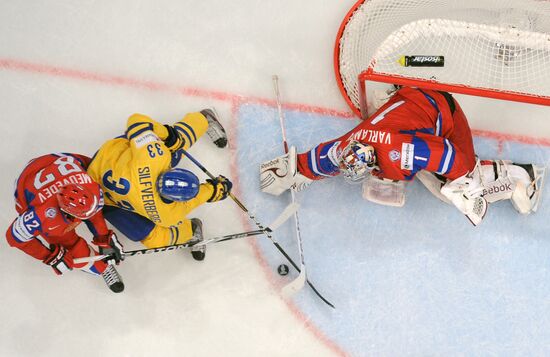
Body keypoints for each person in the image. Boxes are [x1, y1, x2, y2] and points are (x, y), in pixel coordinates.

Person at [260, 86, 545, 226]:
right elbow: (325, 158)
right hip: (408, 105)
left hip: (445, 113)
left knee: (447, 188)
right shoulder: (351, 145)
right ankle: (393, 99)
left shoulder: (401, 154)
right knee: (423, 167)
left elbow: (448, 155)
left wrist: (464, 188)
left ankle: (524, 176)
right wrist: (291, 169)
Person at [87, 109, 232, 260]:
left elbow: (136, 120)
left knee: (176, 143)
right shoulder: (167, 213)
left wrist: (168, 135)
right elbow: (192, 201)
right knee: (155, 239)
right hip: (102, 194)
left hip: (101, 171)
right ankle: (203, 119)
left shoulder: (154, 158)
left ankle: (192, 229)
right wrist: (215, 190)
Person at [5, 153, 125, 293]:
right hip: (28, 184)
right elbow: (13, 237)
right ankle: (103, 268)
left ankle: (101, 260)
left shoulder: (90, 183)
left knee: (95, 212)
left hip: (54, 162)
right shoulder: (42, 214)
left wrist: (105, 238)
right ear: (65, 211)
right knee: (71, 247)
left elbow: (95, 214)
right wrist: (50, 256)